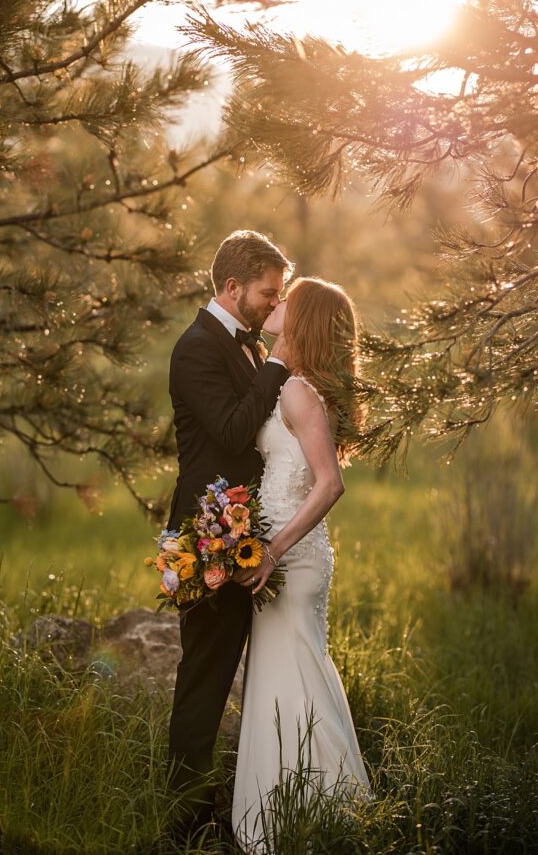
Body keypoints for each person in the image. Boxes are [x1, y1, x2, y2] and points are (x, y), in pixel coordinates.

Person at [231, 276, 372, 854]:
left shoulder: (298, 393)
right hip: (287, 559)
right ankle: (293, 815)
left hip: (293, 560)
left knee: (296, 679)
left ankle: (328, 812)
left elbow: (329, 484)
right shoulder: (295, 386)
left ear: (303, 316)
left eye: (287, 297)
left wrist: (273, 549)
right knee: (283, 682)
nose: (276, 301)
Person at [166, 229, 294, 838]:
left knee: (234, 674)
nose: (275, 303)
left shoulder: (245, 344)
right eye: (268, 293)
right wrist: (278, 363)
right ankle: (184, 817)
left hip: (247, 533)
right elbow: (233, 430)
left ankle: (234, 801)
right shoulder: (195, 348)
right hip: (206, 537)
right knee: (205, 678)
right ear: (231, 286)